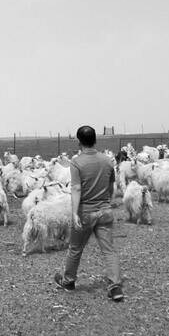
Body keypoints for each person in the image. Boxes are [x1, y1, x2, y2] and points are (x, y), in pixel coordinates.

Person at [54, 125, 123, 302]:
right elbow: (110, 186)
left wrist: (75, 213)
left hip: (86, 211)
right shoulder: (108, 161)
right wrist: (106, 202)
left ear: (79, 141)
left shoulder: (76, 162)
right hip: (105, 211)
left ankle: (68, 281)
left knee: (75, 248)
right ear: (95, 140)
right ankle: (115, 287)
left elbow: (76, 188)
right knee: (109, 250)